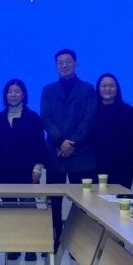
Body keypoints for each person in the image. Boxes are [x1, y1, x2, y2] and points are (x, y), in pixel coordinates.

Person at [40, 48, 97, 249]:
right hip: (55, 154)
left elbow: (89, 119)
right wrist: (60, 141)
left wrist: (72, 142)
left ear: (76, 63)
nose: (64, 65)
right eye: (60, 62)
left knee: (82, 202)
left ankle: (78, 244)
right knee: (54, 201)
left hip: (81, 154)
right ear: (56, 66)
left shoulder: (88, 89)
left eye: (68, 61)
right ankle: (55, 238)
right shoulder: (48, 90)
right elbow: (46, 117)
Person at [0, 78, 47, 261]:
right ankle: (13, 246)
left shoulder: (33, 118)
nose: (13, 95)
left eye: (17, 91)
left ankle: (30, 247)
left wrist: (38, 166)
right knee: (9, 210)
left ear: (23, 94)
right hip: (5, 171)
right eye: (10, 91)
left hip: (28, 171)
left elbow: (40, 145)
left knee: (28, 208)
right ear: (5, 95)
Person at [92, 73, 133, 189]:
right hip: (96, 165)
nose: (107, 89)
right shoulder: (91, 111)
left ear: (117, 89)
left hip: (123, 165)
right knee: (96, 199)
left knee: (120, 198)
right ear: (98, 88)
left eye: (111, 86)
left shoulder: (129, 111)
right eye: (104, 86)